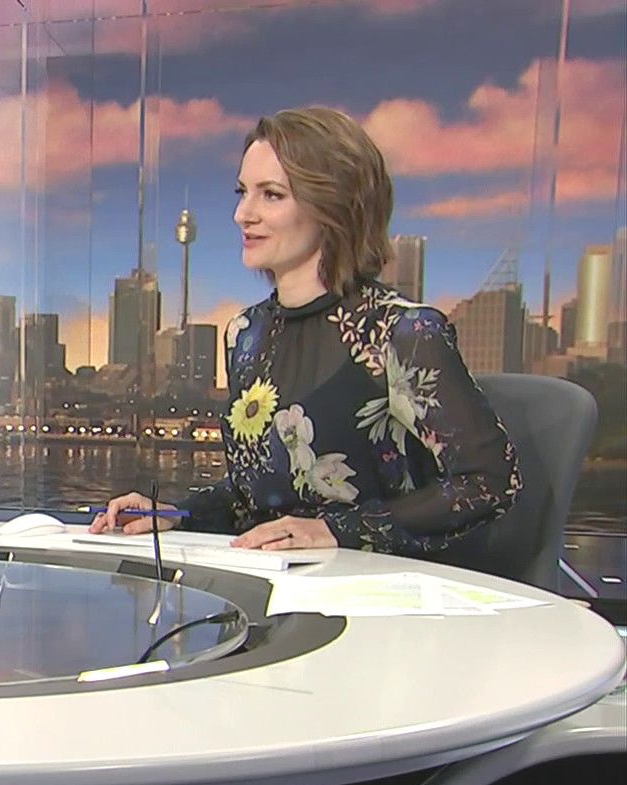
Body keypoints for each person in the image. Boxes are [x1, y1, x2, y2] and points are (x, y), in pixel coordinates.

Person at [91, 107, 519, 553]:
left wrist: (335, 531)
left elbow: (489, 482)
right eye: (243, 192)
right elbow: (253, 494)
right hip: (281, 576)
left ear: (334, 206)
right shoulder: (246, 334)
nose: (242, 214)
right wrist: (177, 514)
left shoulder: (402, 332)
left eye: (271, 195)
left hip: (383, 581)